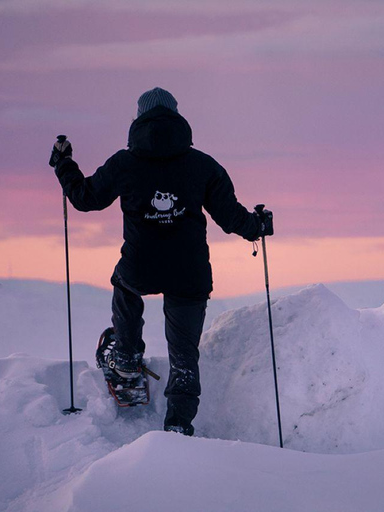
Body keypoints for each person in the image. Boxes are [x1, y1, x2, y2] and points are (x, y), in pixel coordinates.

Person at [49, 87, 273, 436]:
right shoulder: (203, 165)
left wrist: (64, 164)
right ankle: (178, 424)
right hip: (190, 273)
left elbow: (85, 198)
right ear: (177, 117)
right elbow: (231, 218)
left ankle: (124, 359)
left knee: (124, 284)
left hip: (141, 266)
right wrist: (258, 225)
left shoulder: (124, 163)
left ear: (138, 119)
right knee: (184, 355)